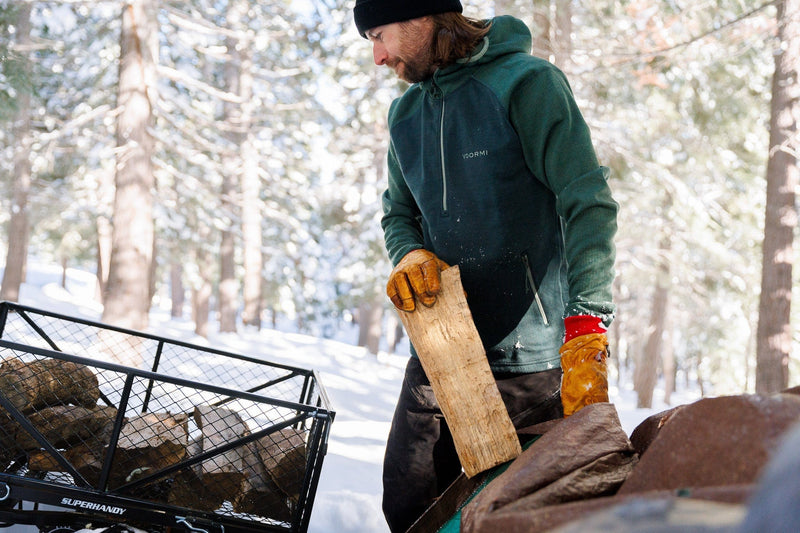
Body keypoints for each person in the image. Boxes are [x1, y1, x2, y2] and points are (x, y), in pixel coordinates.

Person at [352, 1, 619, 531]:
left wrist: (587, 326)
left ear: (422, 16)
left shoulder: (528, 84)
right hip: (442, 343)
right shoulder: (405, 115)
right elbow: (398, 213)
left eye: (380, 35)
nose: (378, 58)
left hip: (530, 357)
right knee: (411, 505)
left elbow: (587, 201)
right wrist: (411, 253)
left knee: (508, 517)